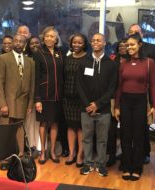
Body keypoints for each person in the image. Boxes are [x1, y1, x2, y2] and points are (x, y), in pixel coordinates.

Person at [114, 33, 155, 181]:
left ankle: (137, 168)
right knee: (125, 136)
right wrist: (117, 107)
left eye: (132, 44)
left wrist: (153, 105)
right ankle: (126, 167)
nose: (129, 47)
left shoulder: (149, 63)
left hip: (140, 102)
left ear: (140, 45)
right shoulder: (123, 64)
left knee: (138, 137)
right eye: (127, 45)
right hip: (125, 101)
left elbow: (152, 86)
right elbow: (119, 87)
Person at [77, 33, 117, 177]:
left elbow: (112, 88)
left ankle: (100, 165)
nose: (95, 42)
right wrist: (89, 105)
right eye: (93, 40)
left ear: (105, 43)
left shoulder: (111, 64)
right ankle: (87, 164)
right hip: (85, 109)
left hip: (104, 109)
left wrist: (98, 105)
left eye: (99, 40)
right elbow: (79, 86)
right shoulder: (83, 62)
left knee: (102, 139)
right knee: (86, 138)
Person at [0, 34, 35, 158]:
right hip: (7, 103)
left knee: (19, 129)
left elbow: (32, 86)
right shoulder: (2, 58)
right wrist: (2, 104)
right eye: (15, 41)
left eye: (21, 41)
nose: (18, 43)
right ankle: (5, 157)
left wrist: (30, 104)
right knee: (6, 131)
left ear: (25, 44)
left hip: (22, 103)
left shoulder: (30, 62)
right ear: (12, 43)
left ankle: (20, 155)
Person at [128, 24, 155, 164]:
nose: (134, 34)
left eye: (137, 32)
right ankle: (129, 153)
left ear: (142, 34)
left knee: (143, 127)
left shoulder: (151, 48)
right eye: (131, 32)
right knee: (129, 127)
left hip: (145, 94)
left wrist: (154, 100)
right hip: (128, 93)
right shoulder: (126, 47)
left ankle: (144, 153)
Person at [33, 26, 64, 164]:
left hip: (58, 95)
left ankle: (52, 151)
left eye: (52, 36)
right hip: (44, 95)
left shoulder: (60, 53)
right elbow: (35, 77)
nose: (50, 39)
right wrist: (37, 99)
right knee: (44, 123)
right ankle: (43, 152)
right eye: (47, 36)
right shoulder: (38, 53)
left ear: (56, 39)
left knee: (55, 122)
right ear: (43, 38)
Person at [63, 33, 88, 167]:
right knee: (71, 125)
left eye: (80, 42)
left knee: (80, 127)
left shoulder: (88, 59)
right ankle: (72, 153)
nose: (76, 45)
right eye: (74, 42)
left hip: (81, 99)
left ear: (84, 44)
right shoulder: (67, 58)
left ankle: (80, 154)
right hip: (67, 98)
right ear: (71, 43)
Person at [106, 38, 128, 167]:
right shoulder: (113, 59)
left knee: (126, 130)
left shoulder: (133, 61)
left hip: (128, 98)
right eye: (120, 45)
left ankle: (125, 157)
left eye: (125, 45)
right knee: (111, 131)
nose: (123, 47)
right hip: (113, 98)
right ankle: (112, 156)